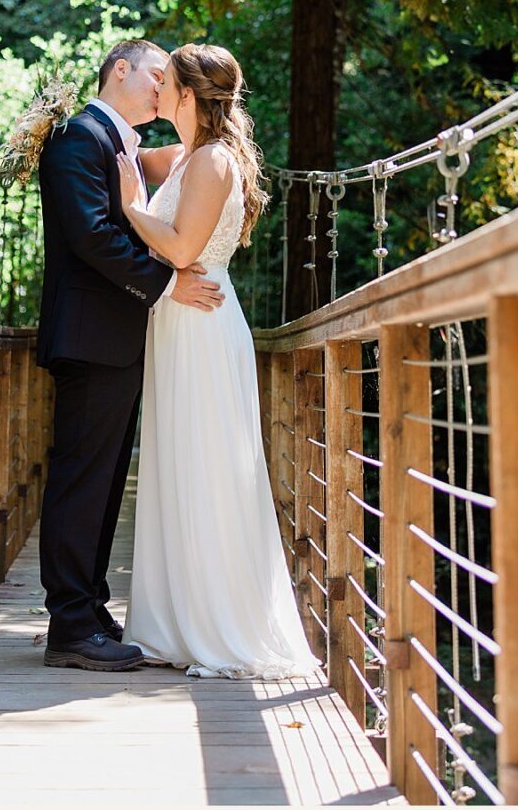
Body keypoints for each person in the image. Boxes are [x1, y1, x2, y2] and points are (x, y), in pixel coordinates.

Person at [116, 42, 321, 680]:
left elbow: (180, 249)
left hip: (199, 321)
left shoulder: (209, 161)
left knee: (204, 465)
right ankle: (176, 621)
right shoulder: (187, 156)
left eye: (165, 82)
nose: (155, 92)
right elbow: (122, 147)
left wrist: (129, 207)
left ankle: (216, 625)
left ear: (187, 95)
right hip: (179, 322)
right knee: (181, 464)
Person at [34, 38, 225, 672]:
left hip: (119, 336)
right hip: (90, 335)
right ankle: (69, 624)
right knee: (83, 479)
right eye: (154, 74)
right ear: (121, 70)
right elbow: (91, 233)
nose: (161, 85)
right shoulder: (77, 137)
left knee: (106, 479)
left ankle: (90, 611)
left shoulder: (127, 148)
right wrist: (169, 283)